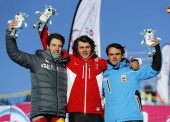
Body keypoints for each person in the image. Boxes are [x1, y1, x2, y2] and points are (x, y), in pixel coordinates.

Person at [39, 27, 140, 122]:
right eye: (81, 47)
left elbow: (118, 63)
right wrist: (43, 29)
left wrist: (134, 61)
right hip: (75, 112)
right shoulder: (69, 59)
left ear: (92, 48)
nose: (84, 50)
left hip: (96, 112)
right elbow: (51, 49)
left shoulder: (100, 62)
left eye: (87, 47)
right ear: (76, 49)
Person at [6, 20, 70, 122]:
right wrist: (10, 34)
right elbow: (15, 54)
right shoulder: (37, 60)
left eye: (59, 46)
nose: (57, 49)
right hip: (40, 113)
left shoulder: (65, 64)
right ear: (48, 46)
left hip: (59, 114)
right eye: (54, 45)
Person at [102, 40, 161, 122]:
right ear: (107, 56)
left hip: (132, 118)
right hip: (111, 119)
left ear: (122, 55)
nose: (114, 57)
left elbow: (155, 69)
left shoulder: (132, 70)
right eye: (111, 54)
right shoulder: (103, 74)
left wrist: (156, 48)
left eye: (117, 54)